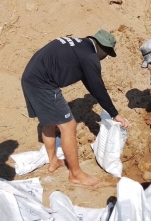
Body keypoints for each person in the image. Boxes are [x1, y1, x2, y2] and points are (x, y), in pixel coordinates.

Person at [21, 29, 130, 186]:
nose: (104, 58)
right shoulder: (90, 56)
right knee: (69, 126)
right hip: (42, 84)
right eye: (106, 54)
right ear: (102, 48)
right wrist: (114, 114)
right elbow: (98, 88)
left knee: (49, 122)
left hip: (30, 77)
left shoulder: (79, 45)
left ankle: (53, 162)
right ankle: (75, 174)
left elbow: (89, 81)